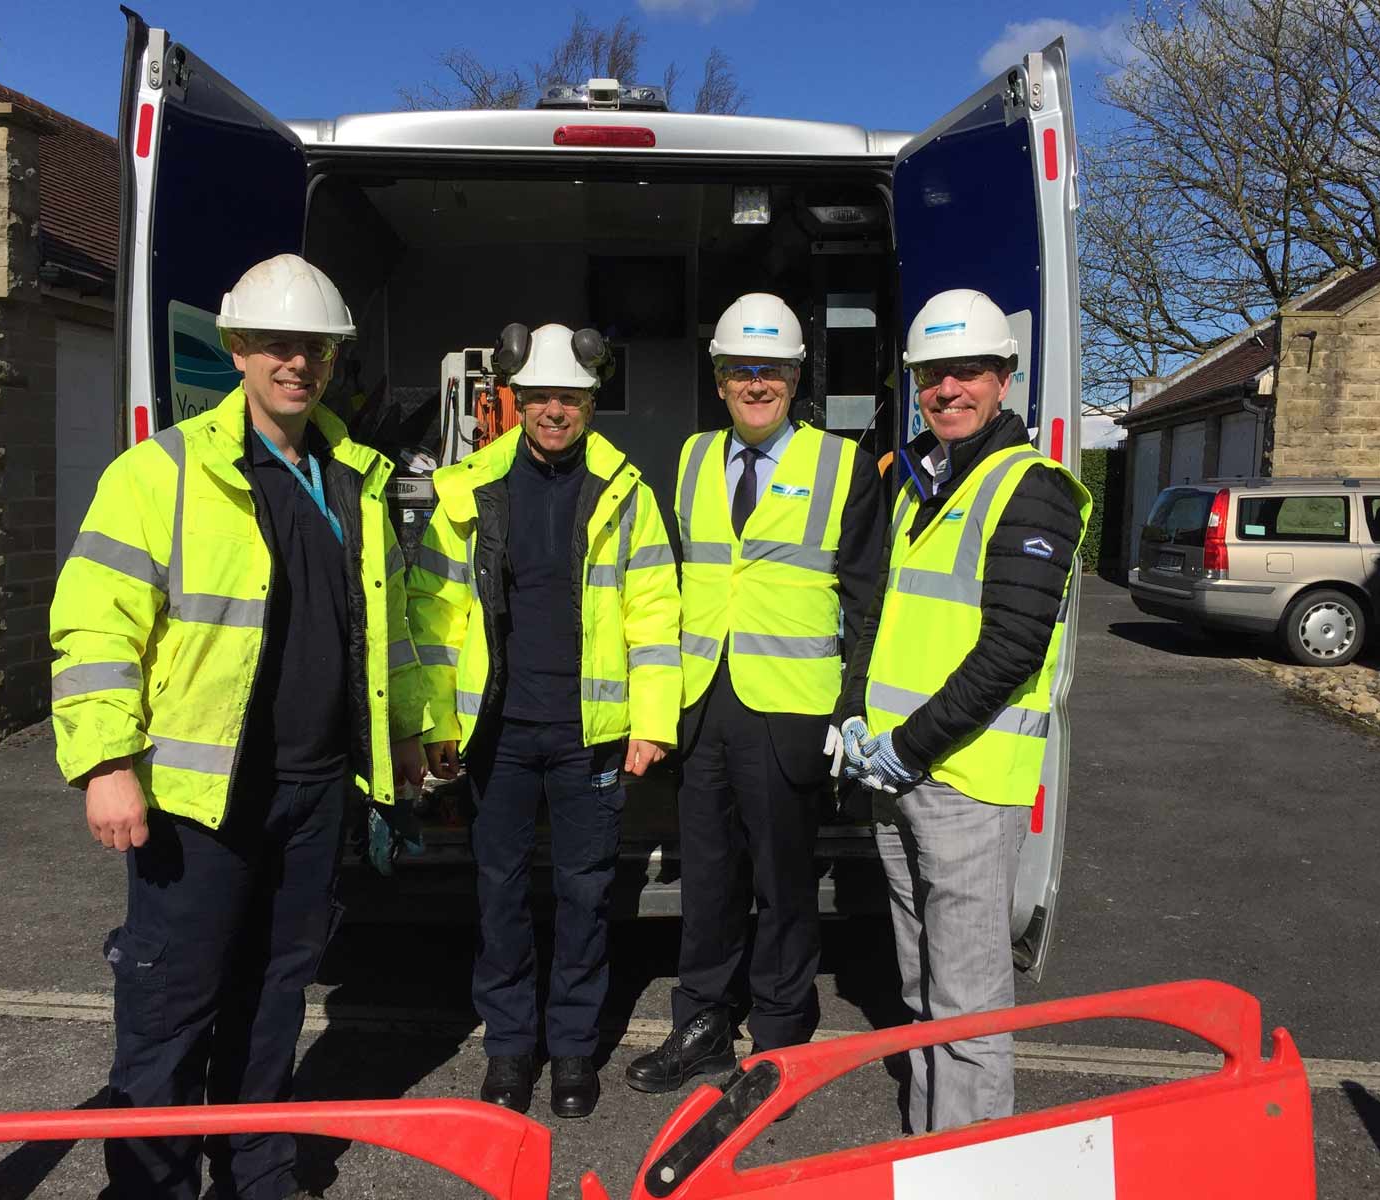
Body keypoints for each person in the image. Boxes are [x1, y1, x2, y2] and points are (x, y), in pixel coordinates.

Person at [49, 254, 428, 1200]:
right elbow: (97, 620)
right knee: (173, 1007)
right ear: (237, 350)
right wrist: (103, 760)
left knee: (272, 1001)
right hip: (197, 796)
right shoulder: (161, 472)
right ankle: (153, 1183)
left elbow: (389, 624)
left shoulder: (354, 478)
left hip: (313, 788)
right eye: (273, 345)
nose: (293, 362)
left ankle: (255, 1170)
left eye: (311, 348)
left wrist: (410, 731)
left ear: (332, 360)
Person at [407, 323, 681, 1119]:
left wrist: (650, 721)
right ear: (513, 401)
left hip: (589, 733)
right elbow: (433, 612)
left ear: (592, 402)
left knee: (587, 896)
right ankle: (508, 1051)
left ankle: (570, 1054)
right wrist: (437, 722)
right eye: (539, 398)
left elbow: (655, 612)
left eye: (569, 397)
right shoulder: (470, 490)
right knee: (498, 896)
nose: (553, 410)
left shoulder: (626, 491)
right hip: (498, 733)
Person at [838, 288, 1091, 1133]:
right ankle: (928, 1145)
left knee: (971, 1004)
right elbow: (881, 620)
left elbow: (1011, 648)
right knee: (919, 983)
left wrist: (909, 746)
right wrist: (854, 716)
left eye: (968, 372)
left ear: (1005, 379)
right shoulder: (920, 484)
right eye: (933, 375)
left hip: (966, 782)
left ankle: (973, 1167)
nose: (949, 389)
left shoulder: (1032, 490)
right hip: (899, 773)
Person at [626, 294, 884, 1094]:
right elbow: (674, 585)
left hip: (791, 710)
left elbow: (868, 601)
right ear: (719, 378)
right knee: (706, 883)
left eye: (772, 369)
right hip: (705, 706)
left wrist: (852, 705)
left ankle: (777, 1040)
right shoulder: (695, 457)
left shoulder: (842, 465)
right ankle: (700, 1026)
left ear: (798, 375)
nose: (757, 382)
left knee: (784, 885)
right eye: (742, 368)